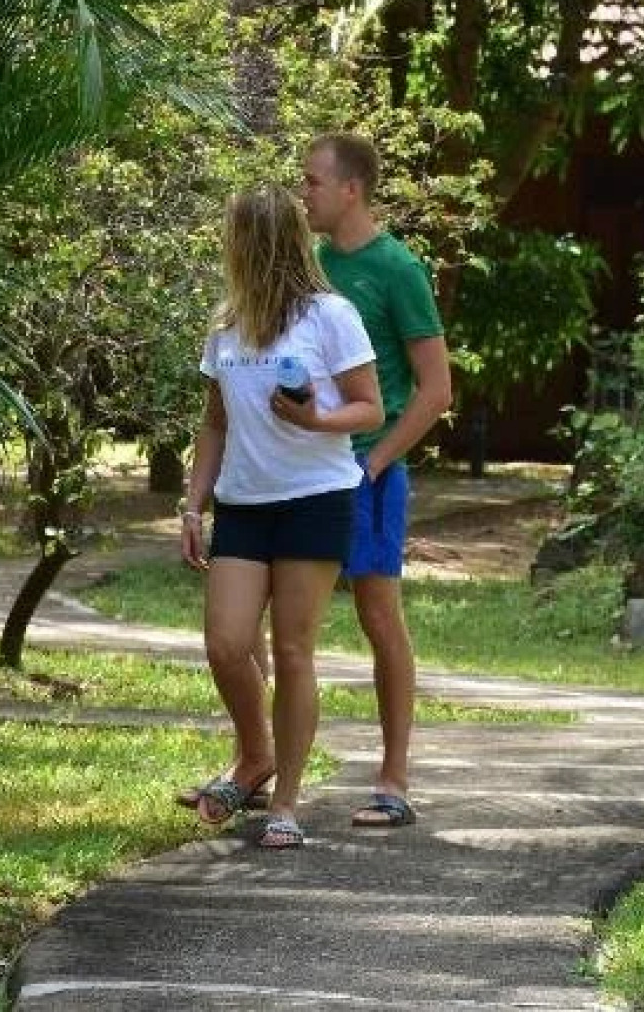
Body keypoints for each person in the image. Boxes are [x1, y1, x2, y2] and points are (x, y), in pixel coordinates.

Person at [177, 185, 383, 849]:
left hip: (314, 500)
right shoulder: (227, 325)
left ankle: (285, 801)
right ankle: (255, 754)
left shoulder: (330, 316)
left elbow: (369, 409)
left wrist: (316, 418)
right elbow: (213, 423)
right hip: (244, 503)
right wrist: (193, 503)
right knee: (226, 643)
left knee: (294, 652)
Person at [299, 133, 452, 828]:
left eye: (313, 183)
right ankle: (268, 770)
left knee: (378, 619)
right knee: (288, 623)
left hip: (366, 474)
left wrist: (378, 460)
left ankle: (394, 778)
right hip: (304, 471)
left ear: (350, 189)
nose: (304, 193)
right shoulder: (310, 266)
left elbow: (435, 390)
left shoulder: (397, 269)